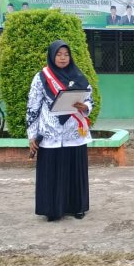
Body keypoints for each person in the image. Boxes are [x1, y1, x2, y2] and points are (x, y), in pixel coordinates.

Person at [27, 40, 93, 221]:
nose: (63, 58)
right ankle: (52, 210)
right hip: (50, 133)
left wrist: (85, 106)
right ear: (52, 56)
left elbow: (90, 100)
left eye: (66, 54)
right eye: (58, 54)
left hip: (74, 132)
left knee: (74, 171)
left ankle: (77, 207)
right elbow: (33, 107)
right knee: (51, 173)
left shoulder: (78, 75)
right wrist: (32, 135)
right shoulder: (41, 77)